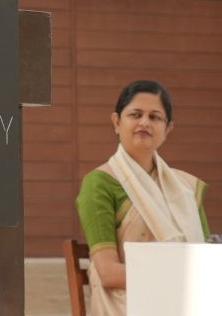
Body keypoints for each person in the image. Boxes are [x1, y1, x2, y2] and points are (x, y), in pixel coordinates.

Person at [75, 80, 209, 316]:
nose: (144, 122)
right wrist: (178, 280)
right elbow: (108, 272)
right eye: (135, 115)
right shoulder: (99, 183)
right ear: (116, 122)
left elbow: (206, 259)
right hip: (129, 304)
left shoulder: (185, 188)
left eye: (155, 117)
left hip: (186, 299)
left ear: (168, 129)